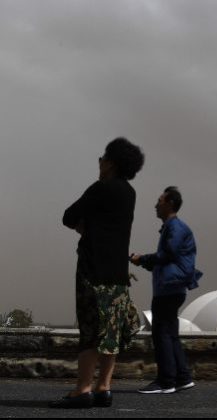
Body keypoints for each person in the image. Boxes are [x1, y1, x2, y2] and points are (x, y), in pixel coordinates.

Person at [51, 138, 144, 409]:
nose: (99, 163)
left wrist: (85, 226)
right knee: (111, 331)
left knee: (90, 330)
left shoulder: (100, 188)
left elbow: (68, 216)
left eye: (102, 158)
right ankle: (104, 387)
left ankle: (82, 389)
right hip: (117, 273)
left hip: (93, 270)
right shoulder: (130, 193)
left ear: (111, 163)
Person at [130, 187, 202, 394]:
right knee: (170, 333)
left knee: (161, 333)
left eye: (159, 200)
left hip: (169, 288)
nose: (155, 204)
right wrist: (143, 261)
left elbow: (168, 255)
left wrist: (142, 259)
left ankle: (165, 381)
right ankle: (182, 377)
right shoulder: (173, 228)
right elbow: (168, 258)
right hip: (173, 287)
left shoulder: (176, 228)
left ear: (170, 203)